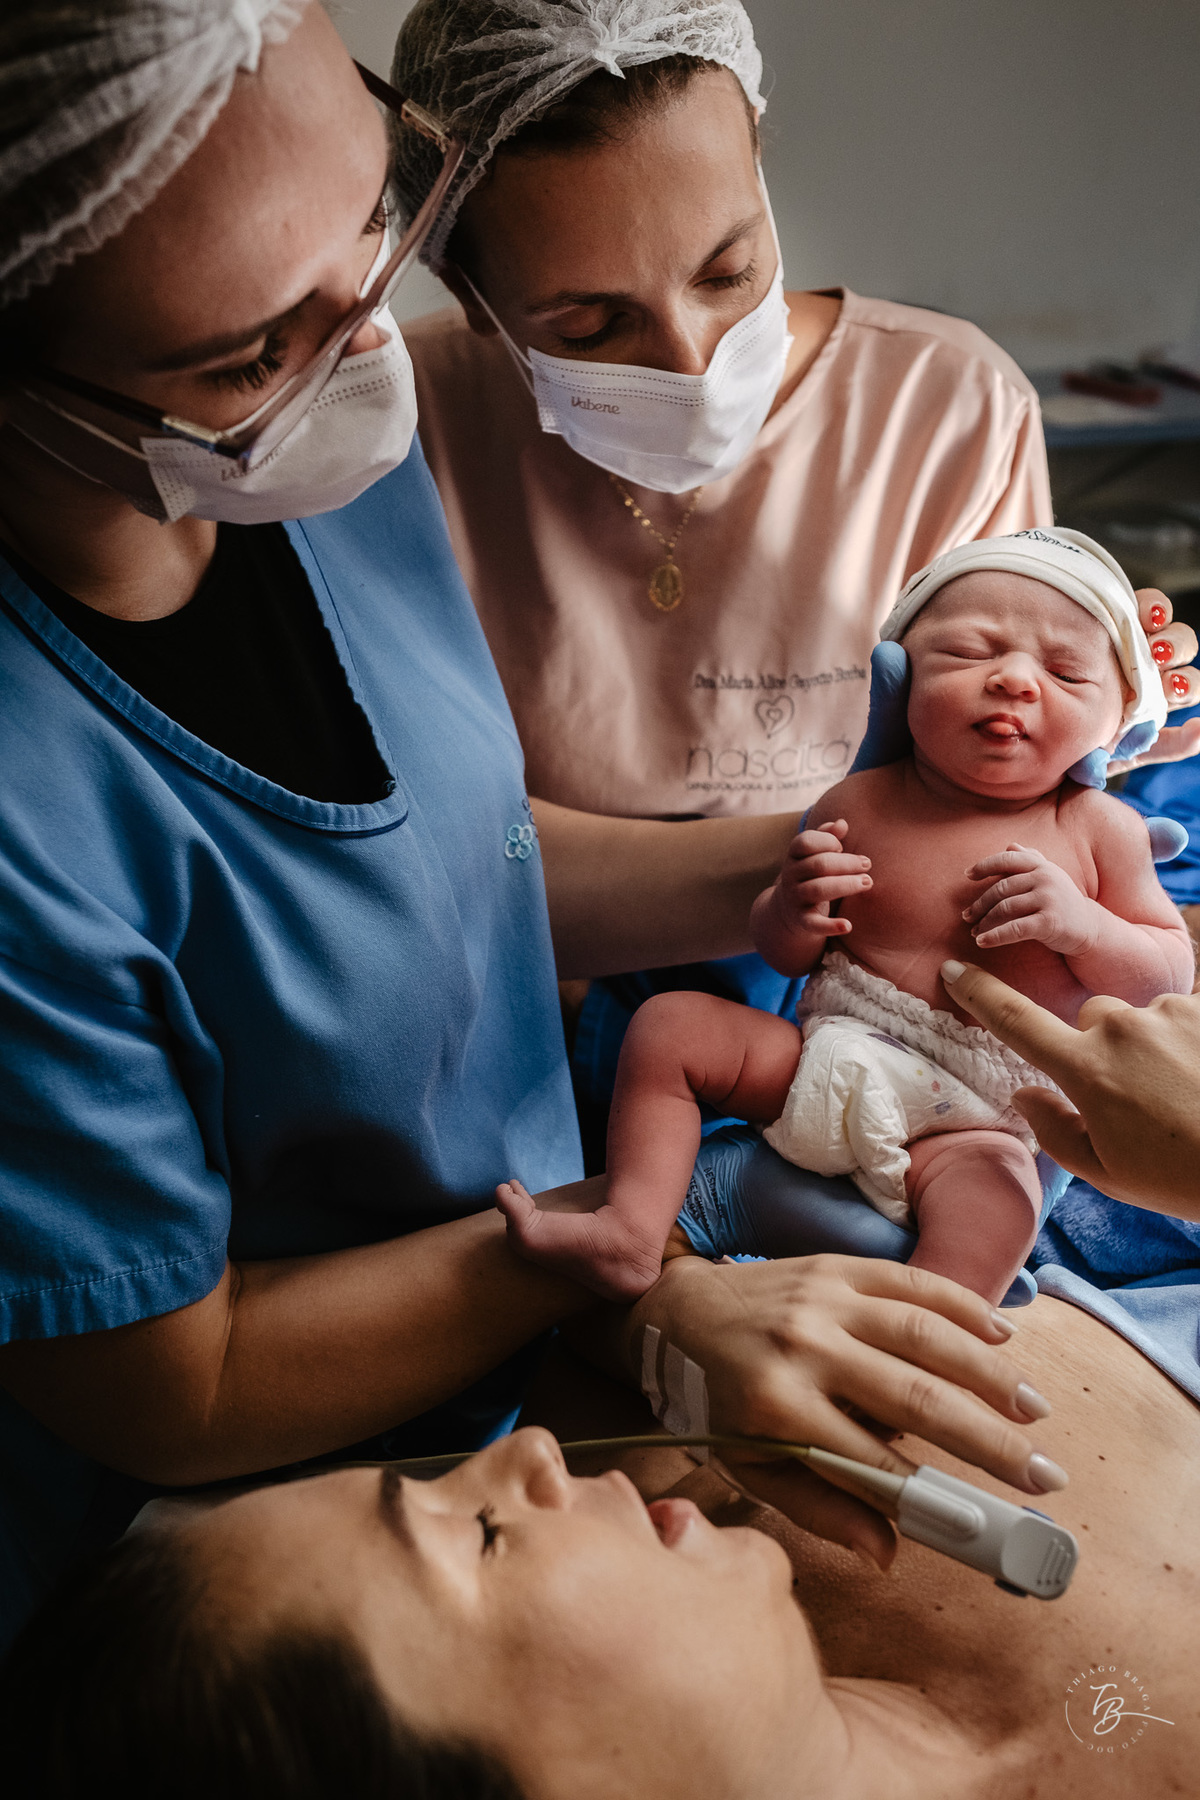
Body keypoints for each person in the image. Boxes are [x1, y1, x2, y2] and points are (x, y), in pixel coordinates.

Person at [0, 0, 1057, 1648]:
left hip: (548, 1351)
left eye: (379, 224)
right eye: (253, 347)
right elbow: (165, 1383)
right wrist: (633, 1266)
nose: (367, 346)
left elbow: (457, 860)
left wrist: (833, 859)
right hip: (258, 1567)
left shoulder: (317, 466)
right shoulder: (31, 798)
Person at [389, 0, 1200, 1135]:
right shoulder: (398, 432)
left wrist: (1096, 721)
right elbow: (451, 882)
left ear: (760, 159)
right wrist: (887, 838)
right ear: (468, 293)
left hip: (887, 1011)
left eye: (727, 272)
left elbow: (1035, 835)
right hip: (535, 1028)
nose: (692, 361)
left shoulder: (948, 407)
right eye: (586, 327)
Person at [3, 1285, 1198, 1800]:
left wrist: (668, 1315)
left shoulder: (686, 1496)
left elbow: (600, 1337)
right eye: (474, 1536)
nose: (523, 1459)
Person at [496, 530, 1193, 1301]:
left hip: (968, 1119)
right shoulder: (855, 802)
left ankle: (925, 1327)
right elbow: (789, 958)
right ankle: (631, 1228)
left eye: (1066, 672)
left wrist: (1085, 929)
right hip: (821, 1056)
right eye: (968, 653)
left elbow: (1165, 974)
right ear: (899, 675)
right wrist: (791, 905)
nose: (1015, 681)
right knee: (669, 1027)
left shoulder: (1099, 829)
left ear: (1117, 719)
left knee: (1002, 1202)